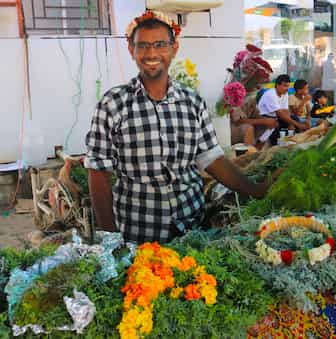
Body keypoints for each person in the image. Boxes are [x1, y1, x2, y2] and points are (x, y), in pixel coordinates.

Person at [85, 10, 269, 243]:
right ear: (132, 51)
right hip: (139, 231)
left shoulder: (191, 101)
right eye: (142, 45)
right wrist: (109, 238)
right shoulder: (113, 104)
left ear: (174, 48)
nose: (151, 53)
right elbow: (98, 171)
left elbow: (211, 158)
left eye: (160, 44)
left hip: (192, 227)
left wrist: (253, 190)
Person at [258, 74, 309, 144]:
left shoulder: (284, 93)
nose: (287, 88)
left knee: (294, 119)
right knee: (277, 124)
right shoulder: (271, 95)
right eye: (285, 85)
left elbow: (285, 111)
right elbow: (280, 114)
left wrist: (291, 124)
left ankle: (295, 141)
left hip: (276, 116)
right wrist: (297, 124)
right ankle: (274, 144)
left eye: (288, 86)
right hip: (264, 117)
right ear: (277, 85)